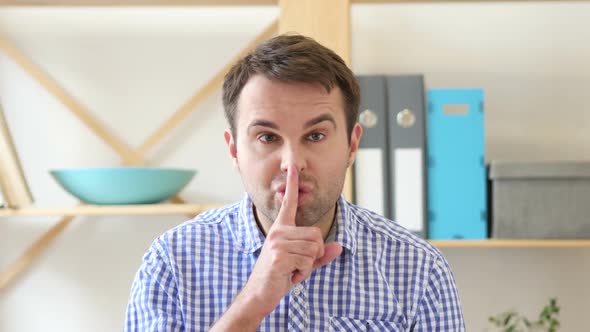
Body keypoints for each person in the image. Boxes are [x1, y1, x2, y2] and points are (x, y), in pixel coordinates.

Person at [124, 34, 465, 331]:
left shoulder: (419, 269)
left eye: (315, 135)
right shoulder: (171, 262)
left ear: (352, 144)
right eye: (267, 137)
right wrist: (253, 301)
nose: (293, 164)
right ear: (234, 150)